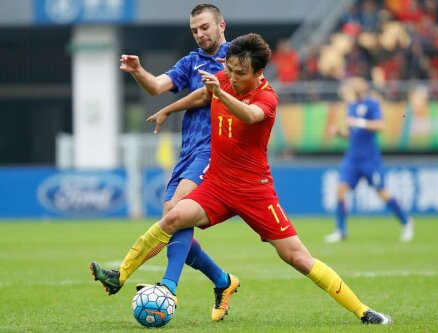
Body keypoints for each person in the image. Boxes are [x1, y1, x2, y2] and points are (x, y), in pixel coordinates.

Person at [93, 33, 392, 325]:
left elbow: (250, 116)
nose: (232, 77)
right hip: (218, 185)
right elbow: (204, 93)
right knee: (174, 217)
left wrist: (221, 93)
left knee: (298, 258)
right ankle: (121, 275)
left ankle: (363, 311)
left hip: (255, 192)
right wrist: (168, 110)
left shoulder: (267, 97)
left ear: (259, 72)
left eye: (240, 73)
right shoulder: (223, 80)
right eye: (229, 70)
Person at [90, 4, 240, 322]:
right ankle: (223, 281)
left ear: (221, 24)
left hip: (215, 151)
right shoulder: (191, 61)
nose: (200, 34)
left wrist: (169, 110)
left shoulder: (237, 59)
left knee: (175, 214)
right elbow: (157, 86)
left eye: (204, 27)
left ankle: (167, 288)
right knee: (172, 226)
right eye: (194, 30)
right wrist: (137, 71)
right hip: (188, 153)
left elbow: (206, 96)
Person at [324, 77, 414, 243]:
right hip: (352, 158)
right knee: (340, 190)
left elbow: (380, 126)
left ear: (365, 86)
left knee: (382, 192)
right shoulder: (350, 107)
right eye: (353, 83)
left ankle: (406, 222)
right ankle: (341, 230)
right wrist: (339, 133)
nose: (355, 85)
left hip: (369, 158)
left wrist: (358, 121)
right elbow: (353, 133)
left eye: (359, 82)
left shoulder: (372, 104)